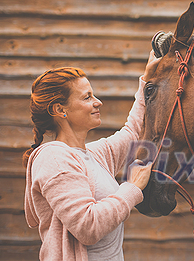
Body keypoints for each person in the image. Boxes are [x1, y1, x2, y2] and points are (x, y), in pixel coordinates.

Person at [23, 51, 160, 261]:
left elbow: (133, 131)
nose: (98, 102)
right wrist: (132, 188)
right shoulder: (54, 159)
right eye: (87, 97)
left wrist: (147, 78)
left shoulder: (94, 155)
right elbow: (88, 227)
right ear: (60, 109)